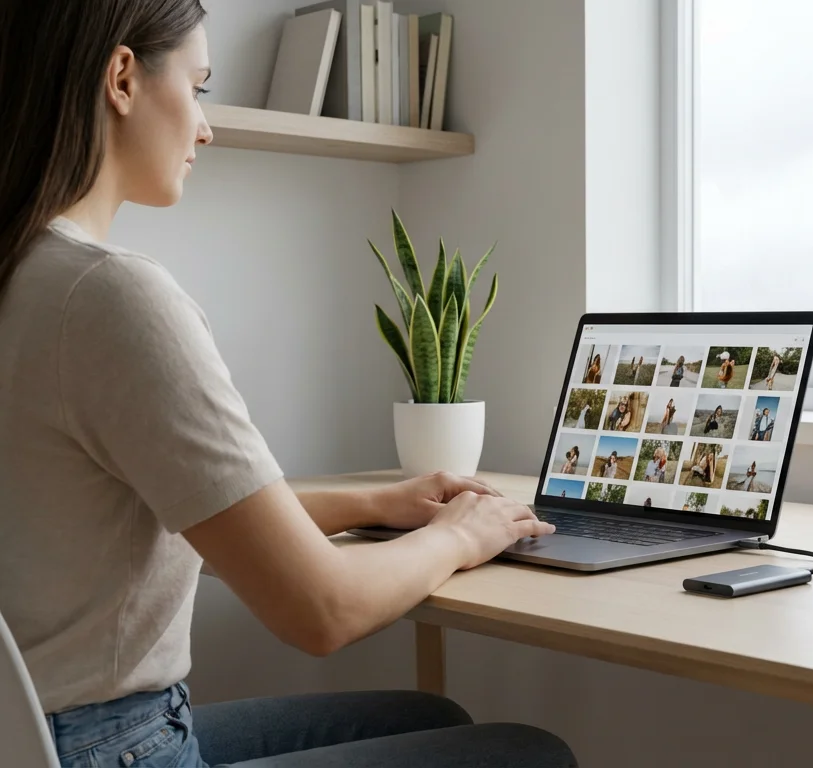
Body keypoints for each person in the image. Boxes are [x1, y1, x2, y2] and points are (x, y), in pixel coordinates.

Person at [0, 3, 578, 766]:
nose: (204, 127)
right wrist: (463, 535)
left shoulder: (24, 278)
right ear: (122, 78)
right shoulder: (108, 298)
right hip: (110, 747)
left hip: (39, 733)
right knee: (522, 752)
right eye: (199, 87)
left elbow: (180, 516)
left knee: (428, 713)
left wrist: (379, 502)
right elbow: (321, 610)